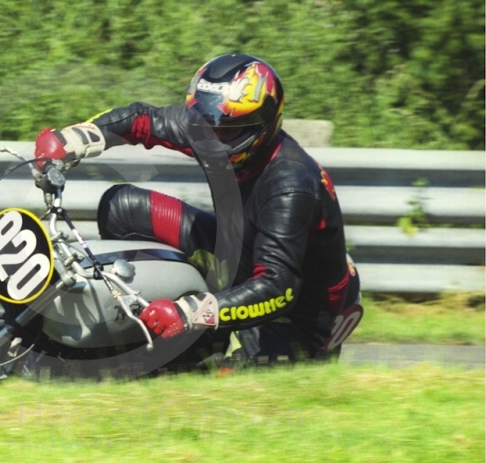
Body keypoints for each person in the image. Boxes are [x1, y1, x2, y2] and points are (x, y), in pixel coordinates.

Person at [34, 53, 361, 369]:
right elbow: (140, 120)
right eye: (203, 124)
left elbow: (279, 287)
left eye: (226, 131)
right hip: (237, 250)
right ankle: (134, 310)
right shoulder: (210, 128)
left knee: (228, 392)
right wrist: (73, 139)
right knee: (120, 207)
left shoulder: (290, 184)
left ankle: (203, 329)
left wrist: (190, 313)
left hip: (298, 309)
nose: (211, 138)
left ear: (261, 127)